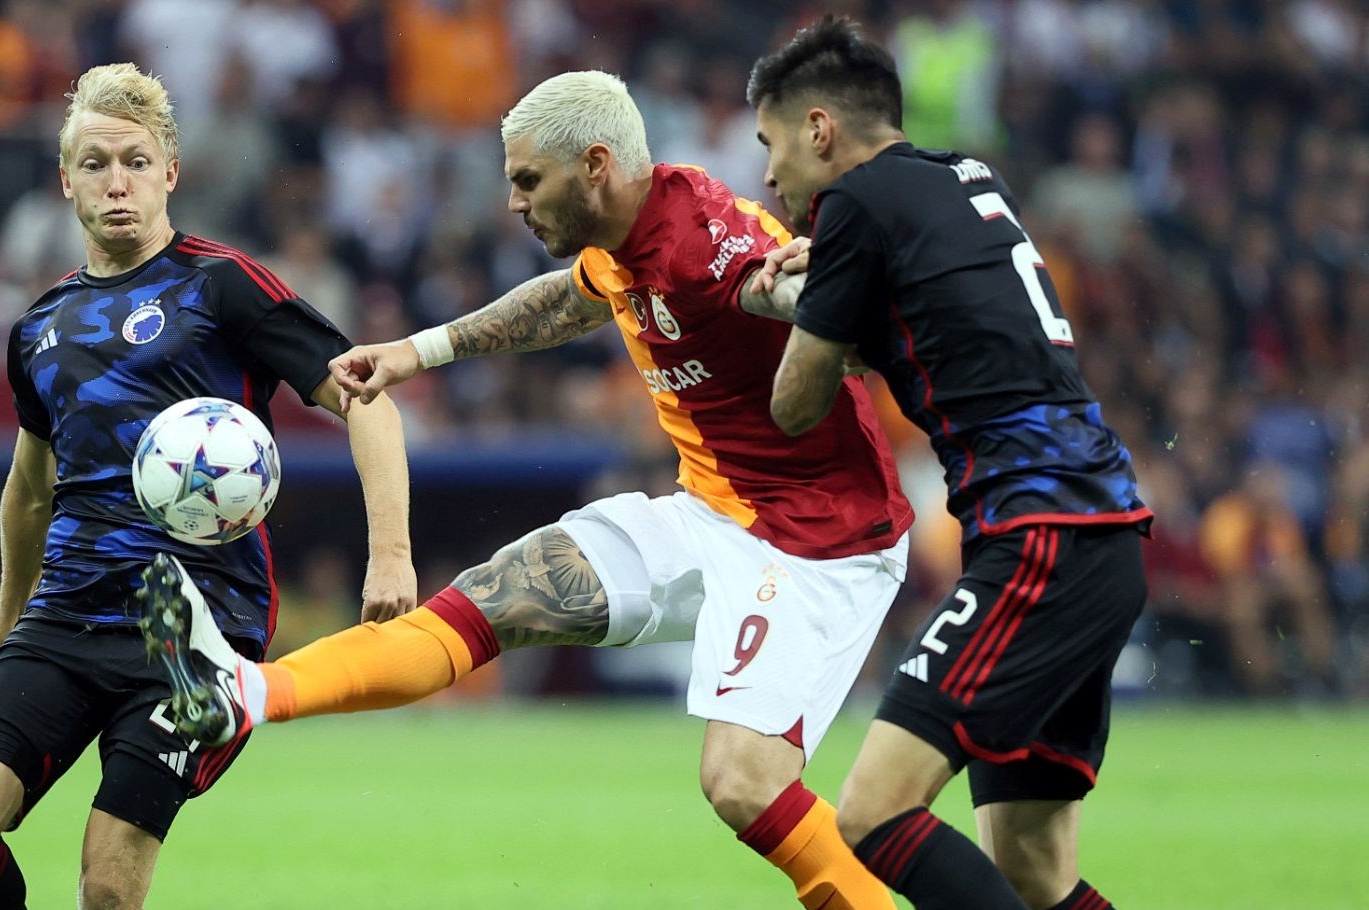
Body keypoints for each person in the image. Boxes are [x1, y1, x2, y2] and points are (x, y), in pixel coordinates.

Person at [140, 70, 915, 910]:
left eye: (527, 179)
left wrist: (836, 296)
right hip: (709, 513)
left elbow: (803, 300)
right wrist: (417, 352)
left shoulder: (706, 245)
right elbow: (566, 302)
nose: (512, 201)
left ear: (594, 166)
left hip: (819, 540)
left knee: (743, 785)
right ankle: (242, 691)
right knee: (494, 595)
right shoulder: (624, 237)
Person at [0, 63, 416, 910]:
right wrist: (4, 632)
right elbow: (30, 491)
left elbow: (368, 399)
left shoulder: (222, 285)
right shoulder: (39, 327)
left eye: (137, 162)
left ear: (170, 174)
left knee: (109, 886)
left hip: (195, 628)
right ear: (66, 180)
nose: (117, 182)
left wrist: (392, 553)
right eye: (96, 163)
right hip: (67, 613)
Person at [750, 18, 1152, 910]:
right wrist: (844, 278)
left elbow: (794, 406)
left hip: (1039, 539)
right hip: (1103, 534)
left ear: (820, 129)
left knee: (872, 814)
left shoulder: (854, 204)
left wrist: (796, 301)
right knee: (1032, 866)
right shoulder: (968, 177)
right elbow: (940, 317)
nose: (768, 175)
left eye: (771, 145)